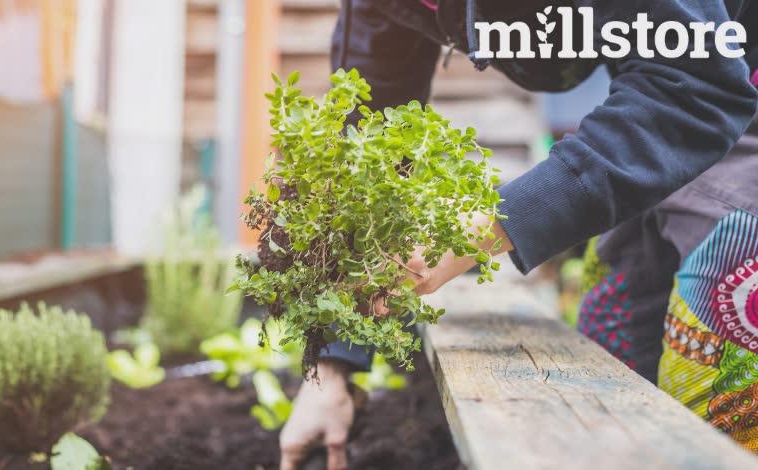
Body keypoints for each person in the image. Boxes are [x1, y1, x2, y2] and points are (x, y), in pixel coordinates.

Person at [278, 1, 758, 469]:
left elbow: (699, 88)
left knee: (721, 403)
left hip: (723, 97)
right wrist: (331, 365)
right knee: (609, 376)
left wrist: (491, 226)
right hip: (663, 111)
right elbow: (368, 143)